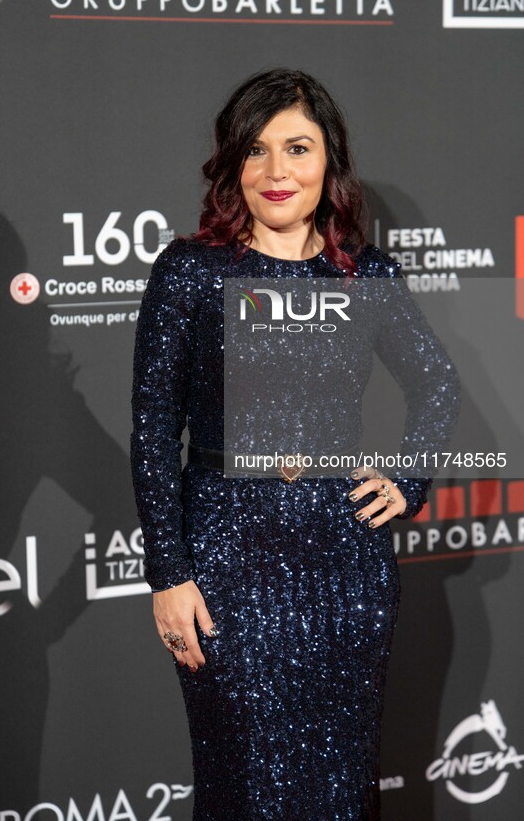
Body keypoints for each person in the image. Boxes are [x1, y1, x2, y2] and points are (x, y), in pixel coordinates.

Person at [130, 68, 460, 820]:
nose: (276, 171)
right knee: (241, 782)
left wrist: (406, 479)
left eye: (297, 148)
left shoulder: (363, 274)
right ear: (232, 165)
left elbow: (436, 386)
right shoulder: (191, 272)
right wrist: (168, 572)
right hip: (224, 561)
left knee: (342, 786)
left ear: (329, 161)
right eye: (255, 150)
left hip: (343, 562)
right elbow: (153, 429)